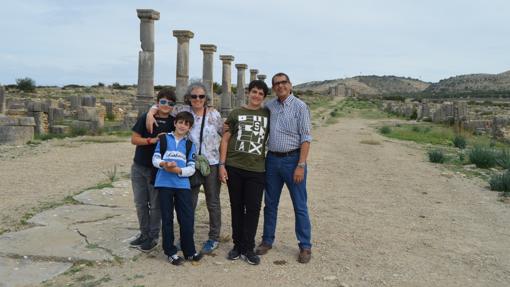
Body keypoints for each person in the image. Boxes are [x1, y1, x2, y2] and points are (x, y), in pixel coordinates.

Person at [146, 82, 223, 254]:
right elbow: (162, 107)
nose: (197, 99)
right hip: (190, 164)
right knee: (188, 203)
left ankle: (214, 237)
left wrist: (224, 163)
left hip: (211, 163)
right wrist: (151, 113)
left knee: (213, 202)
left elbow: (224, 134)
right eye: (194, 96)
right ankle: (186, 237)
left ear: (206, 98)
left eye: (201, 96)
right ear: (188, 97)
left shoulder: (214, 114)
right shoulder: (182, 112)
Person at [255, 72, 313, 264]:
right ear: (273, 88)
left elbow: (306, 138)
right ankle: (267, 240)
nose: (280, 86)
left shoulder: (300, 107)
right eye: (276, 84)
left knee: (299, 205)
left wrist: (301, 165)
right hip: (272, 160)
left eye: (283, 82)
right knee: (270, 204)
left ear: (290, 85)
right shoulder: (270, 106)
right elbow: (253, 111)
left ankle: (305, 245)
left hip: (293, 160)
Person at [218, 80, 270, 265]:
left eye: (261, 94)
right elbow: (225, 140)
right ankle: (237, 245)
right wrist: (221, 165)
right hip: (234, 166)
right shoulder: (236, 113)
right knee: (237, 206)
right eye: (254, 92)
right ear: (248, 93)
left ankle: (248, 247)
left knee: (254, 208)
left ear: (264, 97)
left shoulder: (268, 114)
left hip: (257, 169)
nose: (256, 96)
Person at [152, 111, 203, 265]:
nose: (183, 126)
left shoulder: (189, 145)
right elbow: (155, 159)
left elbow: (192, 168)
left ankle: (189, 251)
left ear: (189, 128)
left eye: (186, 124)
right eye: (180, 122)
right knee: (167, 219)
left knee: (187, 219)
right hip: (164, 184)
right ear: (175, 123)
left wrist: (178, 171)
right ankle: (170, 252)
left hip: (182, 185)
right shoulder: (163, 139)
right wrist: (164, 164)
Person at [129, 88, 176, 252]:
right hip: (139, 166)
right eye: (163, 102)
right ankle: (144, 233)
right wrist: (152, 140)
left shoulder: (174, 122)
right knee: (140, 203)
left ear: (173, 106)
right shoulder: (146, 117)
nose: (166, 105)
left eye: (170, 103)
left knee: (155, 205)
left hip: (158, 170)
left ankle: (153, 236)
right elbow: (134, 139)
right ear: (158, 102)